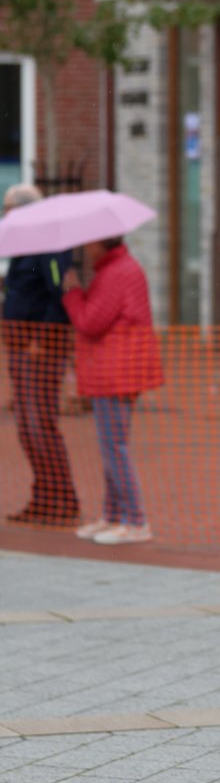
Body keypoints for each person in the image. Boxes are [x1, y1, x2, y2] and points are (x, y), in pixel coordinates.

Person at [61, 236, 164, 544]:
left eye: (89, 242)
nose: (85, 247)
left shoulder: (115, 272)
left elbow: (90, 321)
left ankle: (134, 519)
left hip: (115, 371)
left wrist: (72, 293)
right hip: (115, 370)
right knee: (111, 447)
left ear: (100, 243)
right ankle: (114, 515)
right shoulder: (116, 269)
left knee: (114, 447)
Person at [1, 183, 80, 526]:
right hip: (21, 346)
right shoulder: (24, 245)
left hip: (39, 350)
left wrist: (42, 340)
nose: (5, 214)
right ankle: (44, 497)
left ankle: (62, 500)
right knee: (27, 426)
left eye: (8, 207)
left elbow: (59, 295)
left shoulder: (49, 245)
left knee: (39, 424)